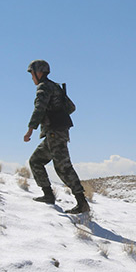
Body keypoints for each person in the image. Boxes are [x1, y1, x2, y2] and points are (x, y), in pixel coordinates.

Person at [23, 60, 89, 214]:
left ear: (38, 73)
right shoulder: (56, 87)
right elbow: (71, 107)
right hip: (55, 132)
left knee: (63, 167)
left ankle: (82, 203)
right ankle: (48, 195)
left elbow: (39, 108)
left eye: (32, 74)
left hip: (55, 132)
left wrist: (30, 130)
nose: (32, 77)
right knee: (36, 161)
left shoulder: (44, 87)